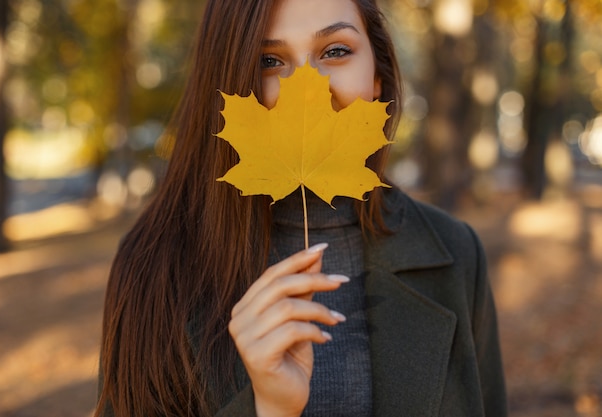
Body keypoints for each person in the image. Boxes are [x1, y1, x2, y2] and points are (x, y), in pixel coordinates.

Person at [95, 0, 508, 416]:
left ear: (378, 75)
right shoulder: (151, 266)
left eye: (336, 51)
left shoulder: (456, 253)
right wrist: (269, 410)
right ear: (225, 83)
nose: (310, 86)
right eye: (270, 60)